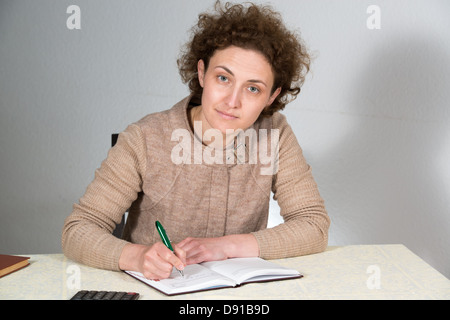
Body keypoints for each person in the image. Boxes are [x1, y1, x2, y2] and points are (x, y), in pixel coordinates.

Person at [62, 1, 330, 281]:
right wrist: (138, 257)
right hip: (156, 290)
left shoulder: (275, 134)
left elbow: (313, 225)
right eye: (223, 78)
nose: (232, 101)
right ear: (202, 73)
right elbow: (78, 229)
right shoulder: (144, 138)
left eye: (253, 88)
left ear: (271, 97)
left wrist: (226, 247)